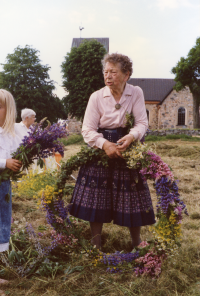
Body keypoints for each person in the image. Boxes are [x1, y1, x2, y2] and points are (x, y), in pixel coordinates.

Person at [69, 53, 155, 250]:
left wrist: (132, 136)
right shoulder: (97, 97)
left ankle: (136, 242)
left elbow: (142, 122)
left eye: (113, 72)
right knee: (97, 195)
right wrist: (104, 144)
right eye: (105, 72)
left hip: (128, 147)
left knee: (132, 194)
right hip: (100, 149)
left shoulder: (136, 93)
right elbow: (87, 130)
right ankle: (95, 245)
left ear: (126, 75)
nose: (108, 76)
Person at [0, 89, 22, 287]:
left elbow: (16, 153)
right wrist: (4, 163)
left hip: (3, 186)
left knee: (2, 224)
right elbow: (5, 160)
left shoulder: (10, 134)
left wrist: (18, 162)